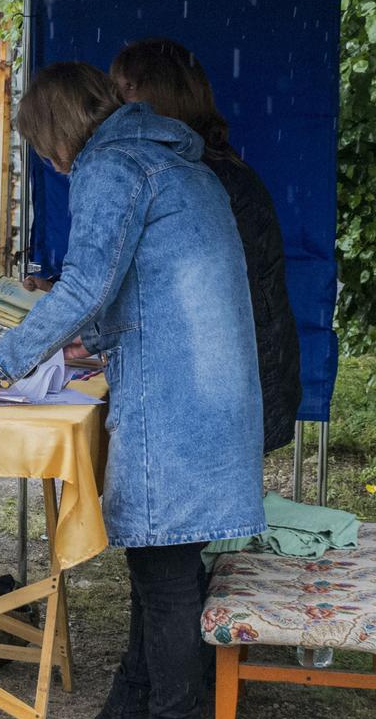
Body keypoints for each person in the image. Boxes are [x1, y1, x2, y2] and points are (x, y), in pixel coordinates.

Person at [0, 62, 265, 719]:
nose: (51, 164)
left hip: (175, 395)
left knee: (165, 576)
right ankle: (131, 713)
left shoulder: (110, 165)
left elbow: (87, 283)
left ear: (55, 135)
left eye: (42, 147)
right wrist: (95, 339)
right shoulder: (173, 157)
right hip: (214, 388)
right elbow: (147, 283)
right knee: (165, 567)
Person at [111, 38, 302, 453]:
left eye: (124, 88)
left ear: (155, 93)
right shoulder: (210, 165)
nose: (116, 104)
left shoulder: (199, 174)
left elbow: (190, 292)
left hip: (234, 386)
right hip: (239, 379)